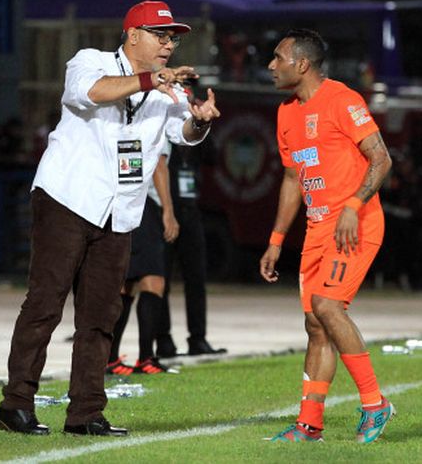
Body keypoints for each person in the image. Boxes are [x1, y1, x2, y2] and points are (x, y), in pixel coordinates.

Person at [0, 0, 220, 437]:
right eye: (161, 35)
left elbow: (182, 134)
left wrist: (199, 122)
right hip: (68, 198)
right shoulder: (89, 61)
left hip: (121, 210)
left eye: (172, 38)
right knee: (45, 303)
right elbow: (91, 93)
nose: (168, 45)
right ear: (133, 34)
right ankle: (15, 404)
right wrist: (151, 81)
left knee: (101, 314)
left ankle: (85, 413)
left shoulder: (169, 88)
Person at [259, 29, 394, 443]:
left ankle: (375, 405)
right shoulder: (286, 113)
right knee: (315, 324)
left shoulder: (342, 100)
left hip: (355, 223)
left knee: (328, 306)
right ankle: (309, 424)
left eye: (278, 57)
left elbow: (381, 158)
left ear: (302, 64)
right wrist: (276, 239)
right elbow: (292, 178)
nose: (271, 65)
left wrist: (353, 205)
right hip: (319, 228)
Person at [105, 142, 181, 376]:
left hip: (125, 201)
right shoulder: (158, 117)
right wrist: (168, 210)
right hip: (143, 205)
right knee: (153, 281)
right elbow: (158, 163)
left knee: (126, 283)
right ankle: (145, 358)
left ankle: (110, 358)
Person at [157, 141, 227, 357]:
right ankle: (163, 340)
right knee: (161, 280)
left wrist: (202, 126)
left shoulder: (196, 135)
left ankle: (198, 338)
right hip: (166, 211)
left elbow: (214, 156)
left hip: (191, 210)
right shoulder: (164, 134)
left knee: (196, 278)